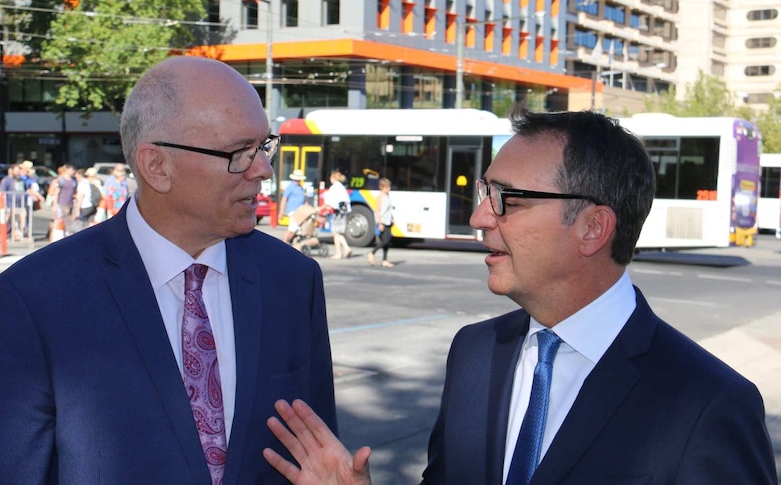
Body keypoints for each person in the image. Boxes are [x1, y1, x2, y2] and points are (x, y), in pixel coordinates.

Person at [263, 107, 778, 485]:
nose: (479, 216)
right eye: (485, 193)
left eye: (505, 199)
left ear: (593, 228)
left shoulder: (707, 404)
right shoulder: (474, 353)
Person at [0, 56, 338, 484]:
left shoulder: (293, 280)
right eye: (239, 153)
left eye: (265, 146)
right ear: (157, 166)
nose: (264, 169)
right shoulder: (31, 301)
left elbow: (321, 456)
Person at [319, 170, 352, 259]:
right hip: (343, 212)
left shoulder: (334, 188)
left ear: (333, 178)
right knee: (339, 232)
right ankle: (346, 248)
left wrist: (320, 209)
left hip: (337, 212)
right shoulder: (342, 187)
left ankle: (338, 253)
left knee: (335, 233)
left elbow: (328, 201)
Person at [367, 178, 394, 267]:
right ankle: (372, 252)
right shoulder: (380, 197)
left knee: (387, 240)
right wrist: (380, 223)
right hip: (382, 221)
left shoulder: (387, 196)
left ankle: (384, 260)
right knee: (386, 240)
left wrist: (392, 218)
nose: (389, 189)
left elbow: (389, 209)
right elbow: (377, 211)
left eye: (389, 187)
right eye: (387, 187)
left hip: (388, 220)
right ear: (382, 187)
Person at [279, 169, 307, 243]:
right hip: (293, 210)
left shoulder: (301, 188)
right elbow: (284, 199)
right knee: (293, 227)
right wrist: (281, 211)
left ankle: (292, 241)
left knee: (298, 227)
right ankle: (284, 242)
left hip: (300, 210)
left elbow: (304, 200)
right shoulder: (290, 187)